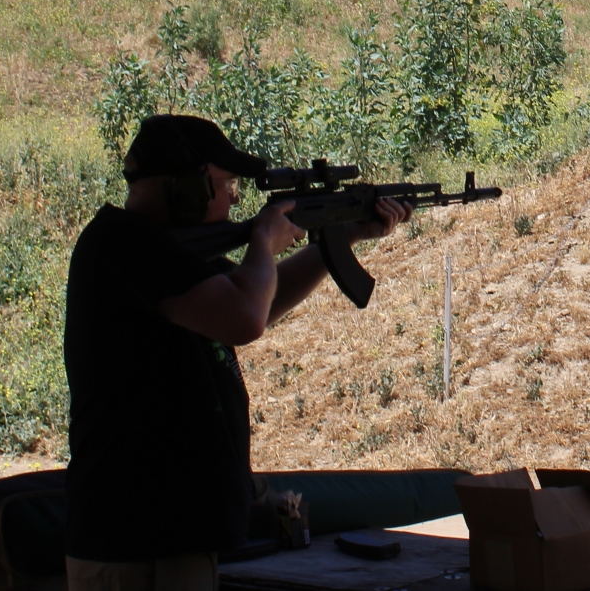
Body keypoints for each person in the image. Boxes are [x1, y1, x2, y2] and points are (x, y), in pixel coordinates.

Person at [62, 115, 409, 591]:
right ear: (186, 186)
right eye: (225, 184)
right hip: (137, 543)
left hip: (167, 537)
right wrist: (263, 242)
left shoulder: (159, 251)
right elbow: (244, 316)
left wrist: (341, 236)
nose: (233, 198)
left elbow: (257, 301)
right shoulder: (125, 244)